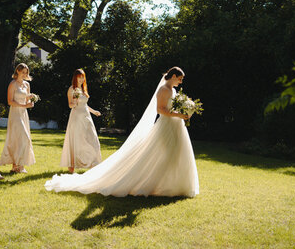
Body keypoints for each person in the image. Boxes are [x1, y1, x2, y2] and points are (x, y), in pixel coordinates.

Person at [45, 66, 199, 197]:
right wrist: (178, 114)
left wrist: (184, 110)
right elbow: (160, 109)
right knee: (160, 153)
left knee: (176, 153)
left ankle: (175, 184)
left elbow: (171, 106)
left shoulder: (172, 90)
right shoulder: (163, 90)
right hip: (166, 126)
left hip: (176, 126)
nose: (181, 81)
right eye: (180, 78)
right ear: (173, 76)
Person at [59, 69, 103, 174]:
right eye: (80, 77)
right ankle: (73, 165)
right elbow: (70, 105)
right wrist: (75, 100)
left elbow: (85, 105)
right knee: (77, 140)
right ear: (75, 78)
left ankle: (93, 163)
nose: (82, 79)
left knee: (92, 139)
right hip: (77, 117)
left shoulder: (83, 89)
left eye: (83, 77)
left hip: (87, 117)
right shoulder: (71, 89)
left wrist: (94, 112)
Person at [0, 63, 36, 173]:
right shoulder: (13, 84)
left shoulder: (27, 85)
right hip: (15, 113)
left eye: (26, 72)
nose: (25, 74)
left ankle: (19, 166)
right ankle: (16, 165)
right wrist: (24, 105)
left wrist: (30, 101)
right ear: (18, 71)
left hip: (23, 113)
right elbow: (10, 101)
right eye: (23, 72)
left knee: (23, 138)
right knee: (19, 137)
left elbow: (27, 99)